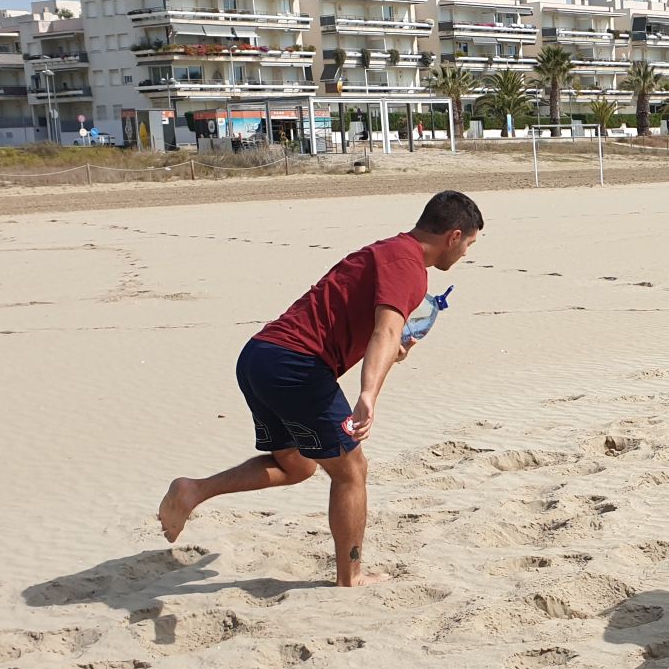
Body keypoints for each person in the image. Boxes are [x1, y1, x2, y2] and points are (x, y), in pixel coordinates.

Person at [156, 190, 484, 587]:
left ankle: (193, 490)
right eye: (469, 244)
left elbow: (377, 332)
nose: (466, 253)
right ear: (453, 236)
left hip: (260, 357)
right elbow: (384, 331)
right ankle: (351, 577)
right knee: (352, 470)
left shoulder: (387, 251)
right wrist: (368, 394)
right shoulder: (409, 266)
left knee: (296, 466)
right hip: (296, 366)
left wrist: (392, 352)